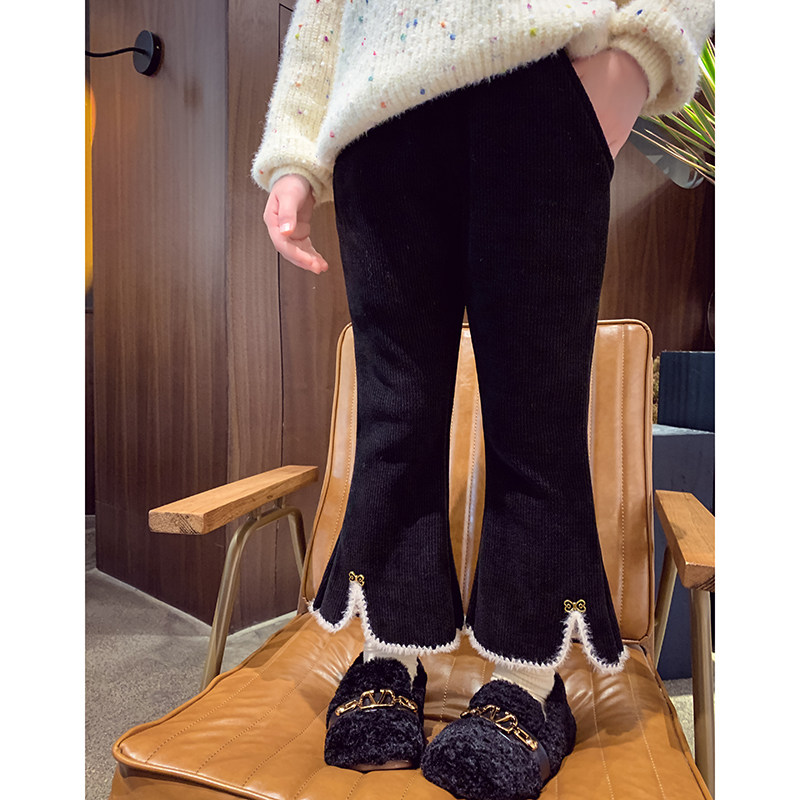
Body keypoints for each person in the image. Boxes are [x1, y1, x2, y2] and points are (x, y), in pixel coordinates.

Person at [251, 3, 714, 799]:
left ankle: (528, 683)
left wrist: (632, 65)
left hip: (537, 87)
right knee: (393, 421)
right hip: (377, 120)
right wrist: (296, 151)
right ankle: (390, 655)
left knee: (537, 427)